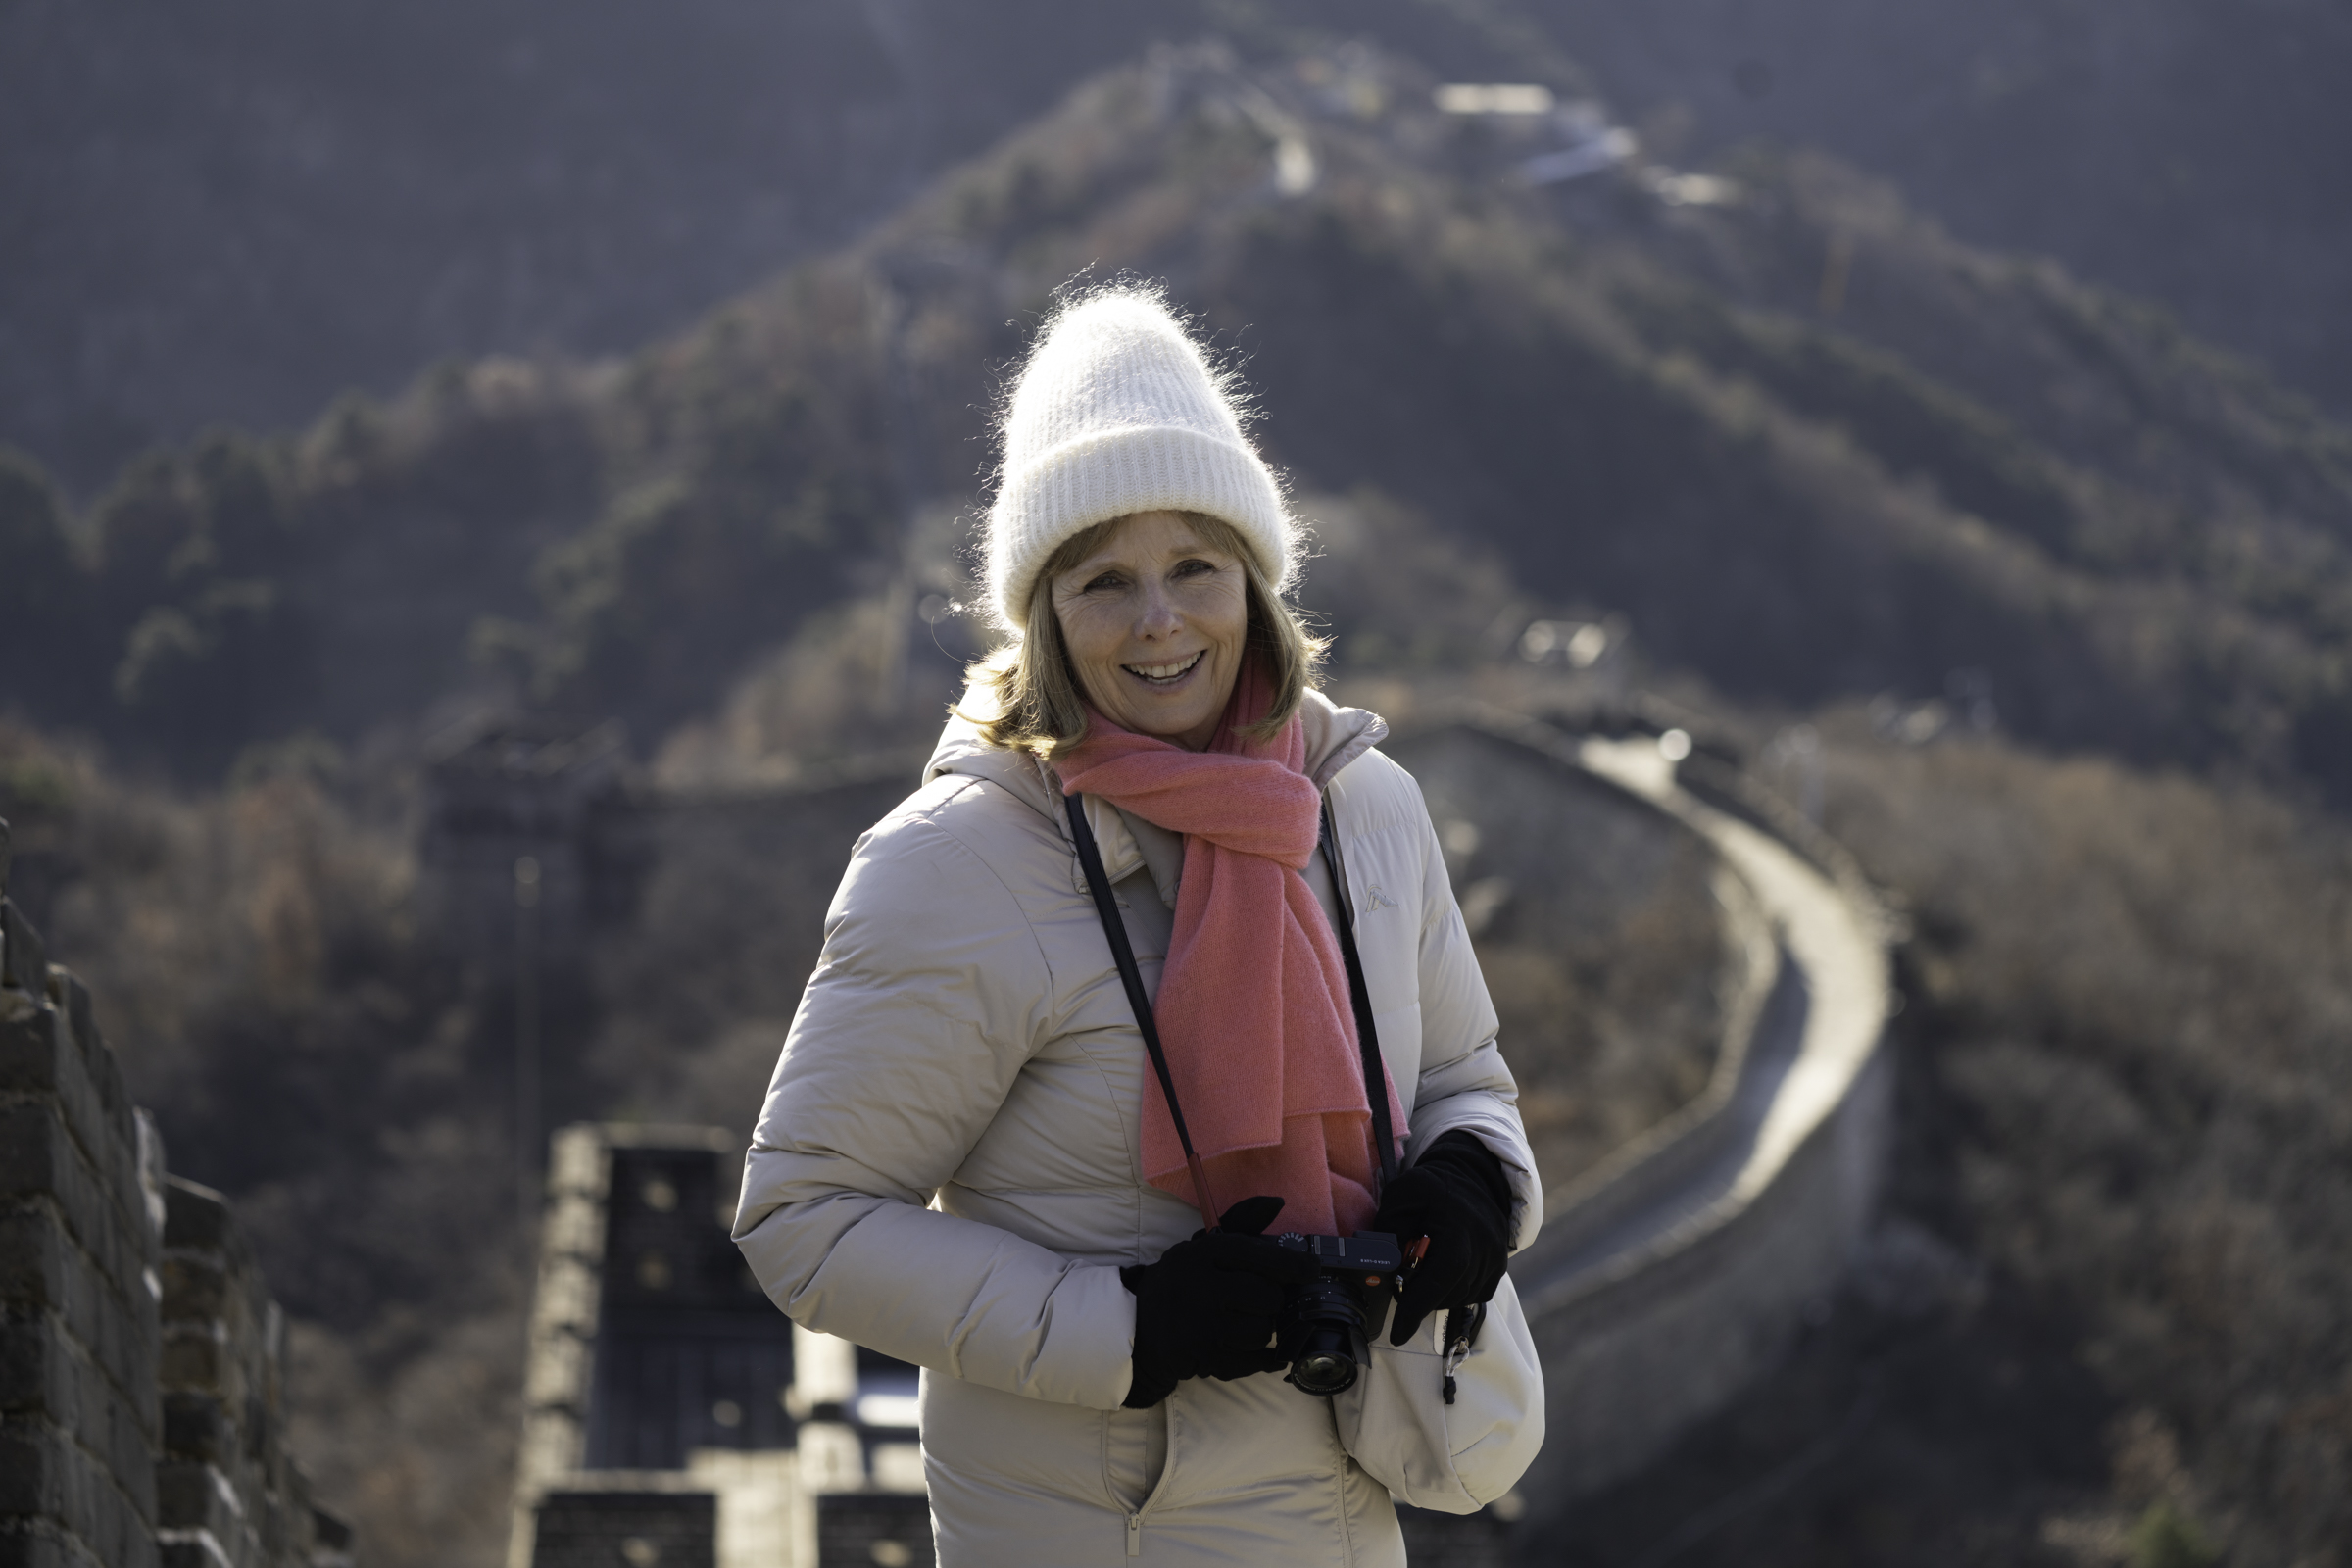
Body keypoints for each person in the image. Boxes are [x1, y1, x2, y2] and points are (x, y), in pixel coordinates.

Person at [733, 288, 1540, 1565]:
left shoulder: (1361, 807)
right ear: (1042, 614)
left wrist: (1483, 1181)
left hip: (1342, 1511)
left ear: (1254, 583)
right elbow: (803, 1217)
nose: (1161, 621)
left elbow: (1462, 1079)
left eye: (1195, 567)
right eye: (1105, 580)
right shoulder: (960, 863)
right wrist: (1130, 1330)